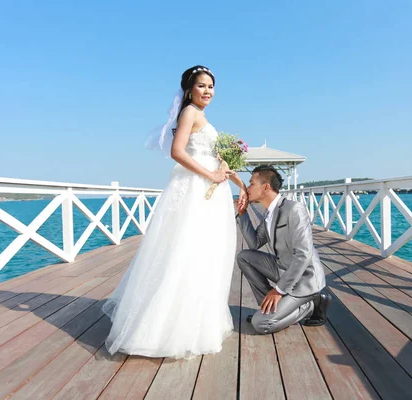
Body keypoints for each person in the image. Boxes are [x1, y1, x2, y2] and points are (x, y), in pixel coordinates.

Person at [102, 65, 248, 359]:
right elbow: (177, 152)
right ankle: (165, 328)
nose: (207, 91)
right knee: (185, 251)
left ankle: (198, 321)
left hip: (211, 189)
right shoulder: (190, 112)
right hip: (194, 188)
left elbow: (216, 159)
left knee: (208, 254)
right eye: (202, 86)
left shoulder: (204, 117)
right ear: (189, 89)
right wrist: (210, 174)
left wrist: (240, 184)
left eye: (211, 86)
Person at [235, 165, 331, 334]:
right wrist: (243, 214)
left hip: (304, 278)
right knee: (244, 256)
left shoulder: (294, 209)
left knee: (261, 324)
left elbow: (304, 255)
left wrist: (278, 291)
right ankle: (268, 309)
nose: (247, 188)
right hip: (282, 269)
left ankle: (310, 305)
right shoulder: (268, 213)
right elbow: (254, 243)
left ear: (266, 187)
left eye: (251, 184)